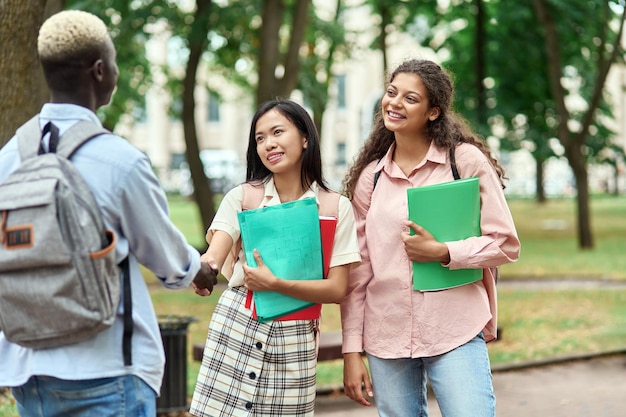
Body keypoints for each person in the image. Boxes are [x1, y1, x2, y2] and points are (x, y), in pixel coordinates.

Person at [0, 10, 217, 417]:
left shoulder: (8, 160)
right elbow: (166, 258)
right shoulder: (120, 162)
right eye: (114, 62)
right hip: (107, 369)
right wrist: (201, 271)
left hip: (27, 371)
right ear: (100, 70)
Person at [341, 59, 521, 417]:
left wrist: (444, 251)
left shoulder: (463, 162)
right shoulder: (370, 180)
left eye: (410, 98)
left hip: (453, 325)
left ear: (433, 112)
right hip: (385, 333)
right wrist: (351, 351)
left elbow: (505, 243)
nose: (395, 103)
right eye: (392, 93)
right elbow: (358, 273)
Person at [189, 99, 361, 417]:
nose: (269, 144)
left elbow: (337, 289)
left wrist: (276, 283)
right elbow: (216, 251)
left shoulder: (336, 208)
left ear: (305, 137)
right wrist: (204, 270)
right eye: (260, 138)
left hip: (295, 340)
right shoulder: (242, 197)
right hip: (236, 329)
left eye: (277, 132)